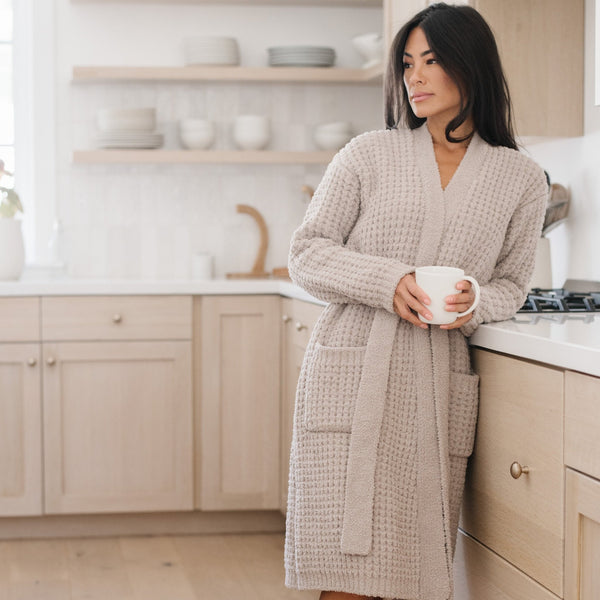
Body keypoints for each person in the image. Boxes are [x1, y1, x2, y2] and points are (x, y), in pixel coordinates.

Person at [283, 3, 547, 600]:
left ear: (470, 66)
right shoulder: (366, 155)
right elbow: (307, 251)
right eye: (407, 63)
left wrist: (472, 298)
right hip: (351, 376)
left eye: (432, 60)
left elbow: (512, 284)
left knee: (411, 576)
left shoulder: (522, 178)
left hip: (433, 387)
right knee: (341, 577)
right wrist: (390, 281)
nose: (415, 77)